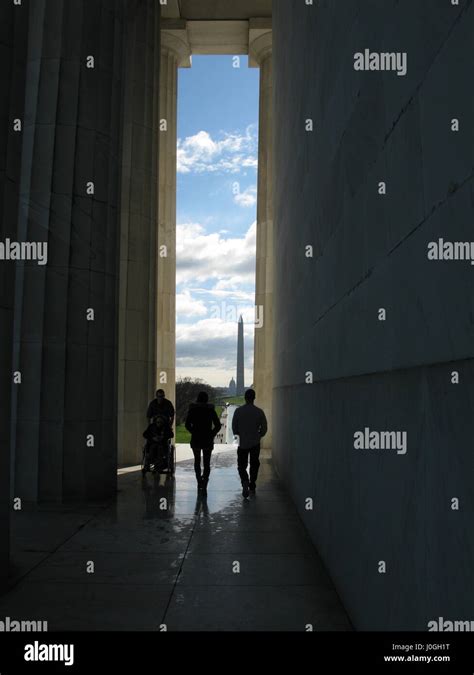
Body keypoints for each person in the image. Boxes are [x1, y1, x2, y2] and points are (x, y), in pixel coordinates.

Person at [232, 389, 267, 499]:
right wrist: (259, 435)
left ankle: (245, 480)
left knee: (241, 466)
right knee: (254, 464)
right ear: (254, 398)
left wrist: (239, 435)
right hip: (255, 442)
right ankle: (252, 483)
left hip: (242, 442)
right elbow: (264, 429)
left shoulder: (238, 411)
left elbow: (234, 427)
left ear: (245, 398)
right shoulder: (259, 412)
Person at [185, 392, 221, 495]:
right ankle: (204, 482)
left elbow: (187, 425)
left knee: (197, 461)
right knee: (206, 463)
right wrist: (211, 434)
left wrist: (194, 432)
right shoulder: (210, 410)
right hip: (207, 439)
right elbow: (218, 426)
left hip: (196, 439)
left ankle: (199, 481)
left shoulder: (193, 410)